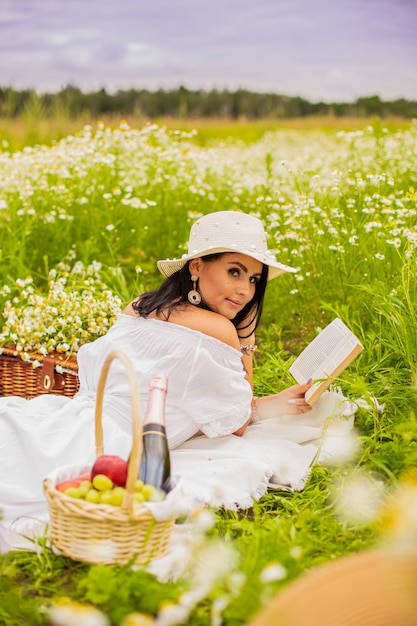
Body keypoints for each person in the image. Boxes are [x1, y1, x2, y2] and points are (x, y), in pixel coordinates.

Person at [0, 211, 356, 552]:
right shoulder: (220, 330)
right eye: (235, 271)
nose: (246, 290)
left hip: (71, 420)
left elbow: (192, 396)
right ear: (197, 266)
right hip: (114, 445)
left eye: (253, 279)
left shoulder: (139, 305)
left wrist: (273, 402)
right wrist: (244, 339)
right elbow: (237, 423)